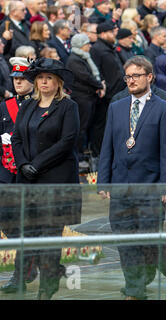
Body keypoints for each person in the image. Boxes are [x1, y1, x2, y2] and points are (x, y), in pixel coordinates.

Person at [97, 56, 166, 300]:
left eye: (136, 76)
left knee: (151, 240)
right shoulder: (116, 106)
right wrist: (104, 180)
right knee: (125, 240)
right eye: (128, 77)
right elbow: (107, 147)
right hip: (121, 184)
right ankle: (134, 289)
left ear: (149, 77)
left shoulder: (164, 108)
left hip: (152, 186)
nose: (131, 81)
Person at [11, 57, 81, 300]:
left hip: (55, 180)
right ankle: (33, 276)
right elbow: (16, 138)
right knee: (28, 235)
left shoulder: (67, 106)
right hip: (28, 181)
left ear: (58, 82)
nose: (43, 82)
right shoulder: (28, 106)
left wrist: (37, 165)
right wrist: (22, 164)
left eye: (48, 78)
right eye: (40, 77)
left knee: (49, 237)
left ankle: (47, 288)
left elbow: (67, 141)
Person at [0, 57, 37, 294]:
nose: (18, 83)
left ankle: (21, 273)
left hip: (29, 172)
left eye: (22, 79)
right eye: (15, 79)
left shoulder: (38, 105)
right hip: (6, 172)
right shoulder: (4, 106)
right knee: (5, 218)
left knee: (26, 224)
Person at [89, 21, 126, 169]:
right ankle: (97, 157)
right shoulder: (97, 49)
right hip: (106, 96)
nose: (114, 35)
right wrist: (103, 86)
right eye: (111, 32)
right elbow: (96, 70)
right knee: (101, 127)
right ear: (103, 34)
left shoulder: (110, 48)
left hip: (117, 93)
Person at [66, 33, 104, 171]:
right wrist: (99, 85)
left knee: (86, 126)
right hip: (81, 98)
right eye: (87, 44)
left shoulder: (82, 58)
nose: (89, 46)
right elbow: (85, 77)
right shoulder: (74, 60)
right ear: (81, 45)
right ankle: (79, 156)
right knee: (81, 128)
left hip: (88, 97)